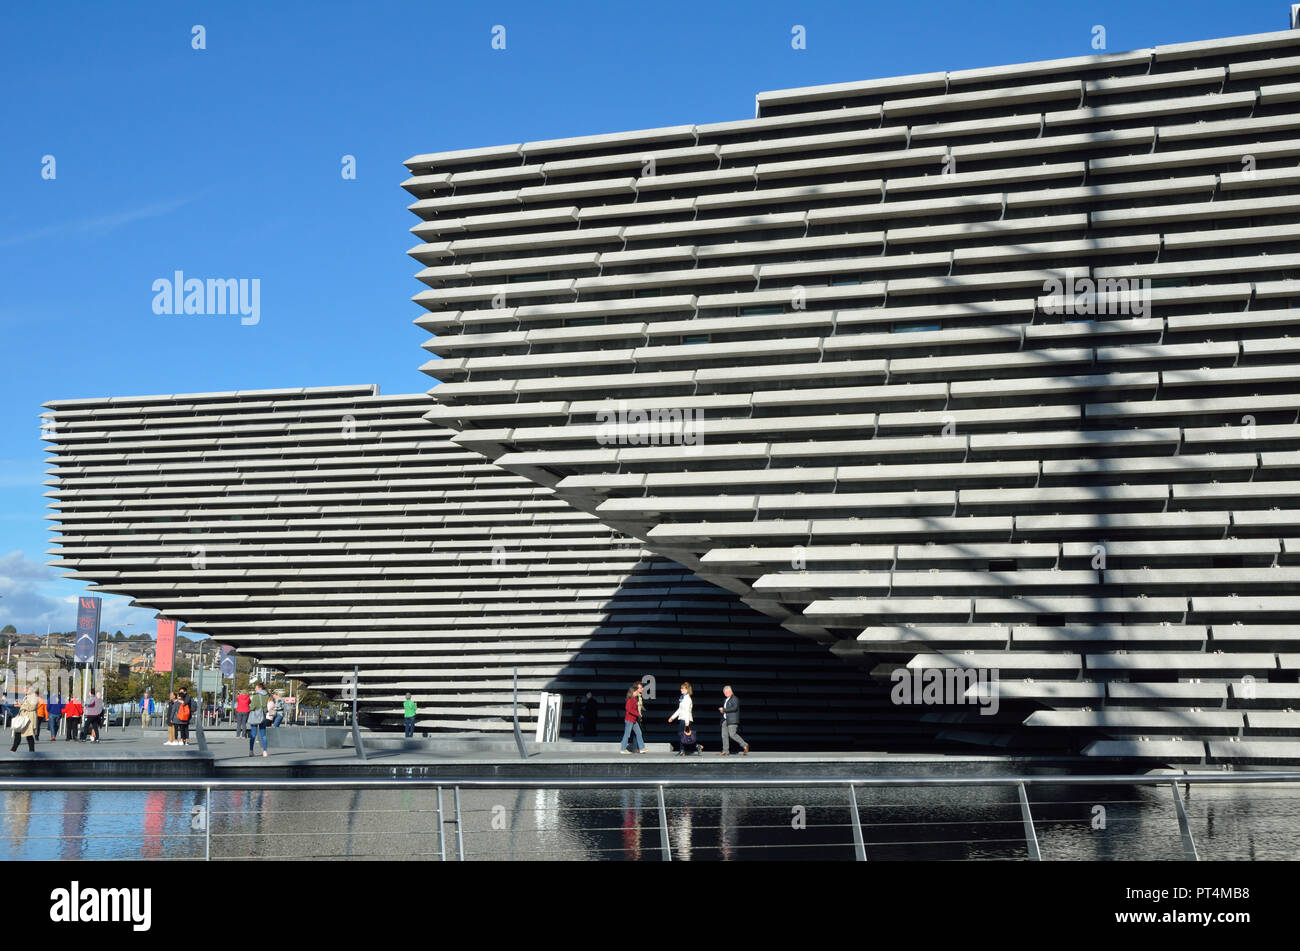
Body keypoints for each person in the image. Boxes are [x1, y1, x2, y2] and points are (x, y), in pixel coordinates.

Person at [716, 684, 749, 756]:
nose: (726, 693)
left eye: (727, 692)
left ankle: (745, 745)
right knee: (724, 735)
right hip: (725, 719)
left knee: (732, 734)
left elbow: (735, 708)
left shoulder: (735, 698)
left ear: (731, 691)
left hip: (732, 720)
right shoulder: (725, 699)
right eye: (725, 692)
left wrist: (724, 710)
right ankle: (725, 751)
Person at [668, 682, 696, 756]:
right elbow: (680, 709)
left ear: (687, 689)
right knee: (685, 736)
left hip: (686, 719)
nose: (681, 689)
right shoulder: (683, 698)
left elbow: (687, 711)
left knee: (683, 735)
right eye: (681, 688)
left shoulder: (687, 699)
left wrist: (687, 722)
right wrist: (672, 717)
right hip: (683, 718)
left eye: (683, 688)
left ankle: (682, 750)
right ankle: (695, 747)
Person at [8, 686, 38, 754]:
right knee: (21, 733)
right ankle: (15, 749)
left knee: (28, 735)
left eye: (25, 689)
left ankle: (15, 749)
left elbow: (32, 707)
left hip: (28, 719)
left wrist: (21, 705)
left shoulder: (33, 696)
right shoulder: (28, 696)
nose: (24, 690)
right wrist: (20, 705)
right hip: (24, 718)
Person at [619, 682, 646, 754]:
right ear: (633, 692)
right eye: (636, 691)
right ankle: (623, 749)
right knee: (627, 734)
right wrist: (638, 714)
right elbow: (629, 709)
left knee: (639, 733)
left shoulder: (634, 699)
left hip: (634, 720)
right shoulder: (630, 699)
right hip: (629, 720)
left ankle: (642, 748)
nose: (638, 693)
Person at [247, 682, 269, 757]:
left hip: (255, 716)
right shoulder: (267, 695)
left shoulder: (255, 695)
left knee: (253, 734)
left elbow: (253, 706)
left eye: (256, 687)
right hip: (263, 715)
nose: (255, 689)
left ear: (259, 688)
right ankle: (265, 751)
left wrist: (250, 708)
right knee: (263, 735)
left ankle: (251, 751)